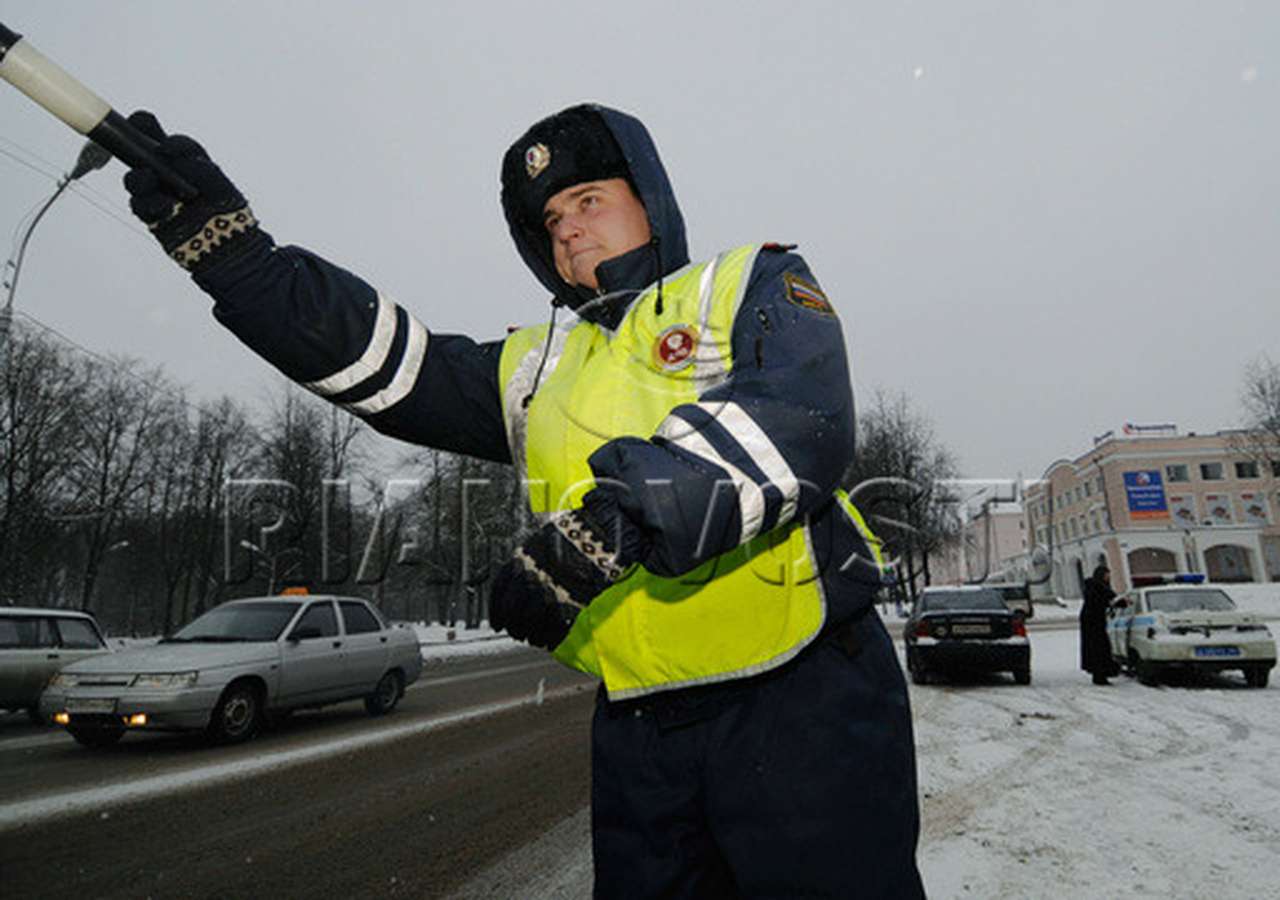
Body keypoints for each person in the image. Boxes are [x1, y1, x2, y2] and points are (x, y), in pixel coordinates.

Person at [121, 103, 925, 898]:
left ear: (649, 198)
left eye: (588, 200)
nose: (568, 228)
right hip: (639, 726)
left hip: (802, 695)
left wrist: (614, 523)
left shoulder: (744, 282)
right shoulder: (535, 367)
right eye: (550, 219)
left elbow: (799, 416)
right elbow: (385, 361)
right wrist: (239, 259)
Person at [1080, 564, 1118, 685]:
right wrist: (1117, 602)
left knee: (1099, 649)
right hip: (1093, 623)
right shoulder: (1096, 587)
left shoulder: (1095, 586)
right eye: (1107, 575)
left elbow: (1107, 600)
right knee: (1099, 649)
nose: (1108, 578)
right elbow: (1105, 599)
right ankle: (1100, 675)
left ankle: (1101, 674)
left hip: (1095, 622)